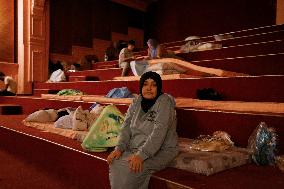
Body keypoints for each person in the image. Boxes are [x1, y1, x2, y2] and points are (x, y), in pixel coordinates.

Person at [107, 71, 178, 189]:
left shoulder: (165, 102)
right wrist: (119, 148)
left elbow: (159, 132)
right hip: (135, 148)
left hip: (160, 151)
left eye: (154, 85)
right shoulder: (136, 101)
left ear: (159, 87)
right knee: (115, 161)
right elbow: (126, 126)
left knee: (133, 167)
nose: (149, 88)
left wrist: (141, 155)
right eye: (145, 84)